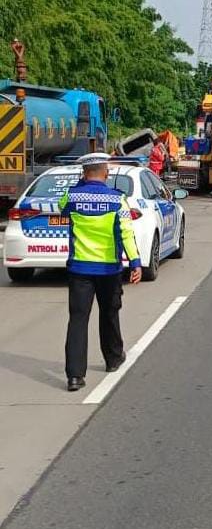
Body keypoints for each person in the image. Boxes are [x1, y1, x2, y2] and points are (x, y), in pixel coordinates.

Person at [59, 153, 142, 392]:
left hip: (79, 268)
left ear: (84, 173)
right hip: (108, 269)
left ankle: (75, 376)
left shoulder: (71, 196)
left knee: (77, 319)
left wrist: (79, 184)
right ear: (106, 173)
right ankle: (113, 359)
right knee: (109, 313)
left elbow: (62, 208)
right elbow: (126, 232)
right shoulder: (118, 200)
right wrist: (135, 263)